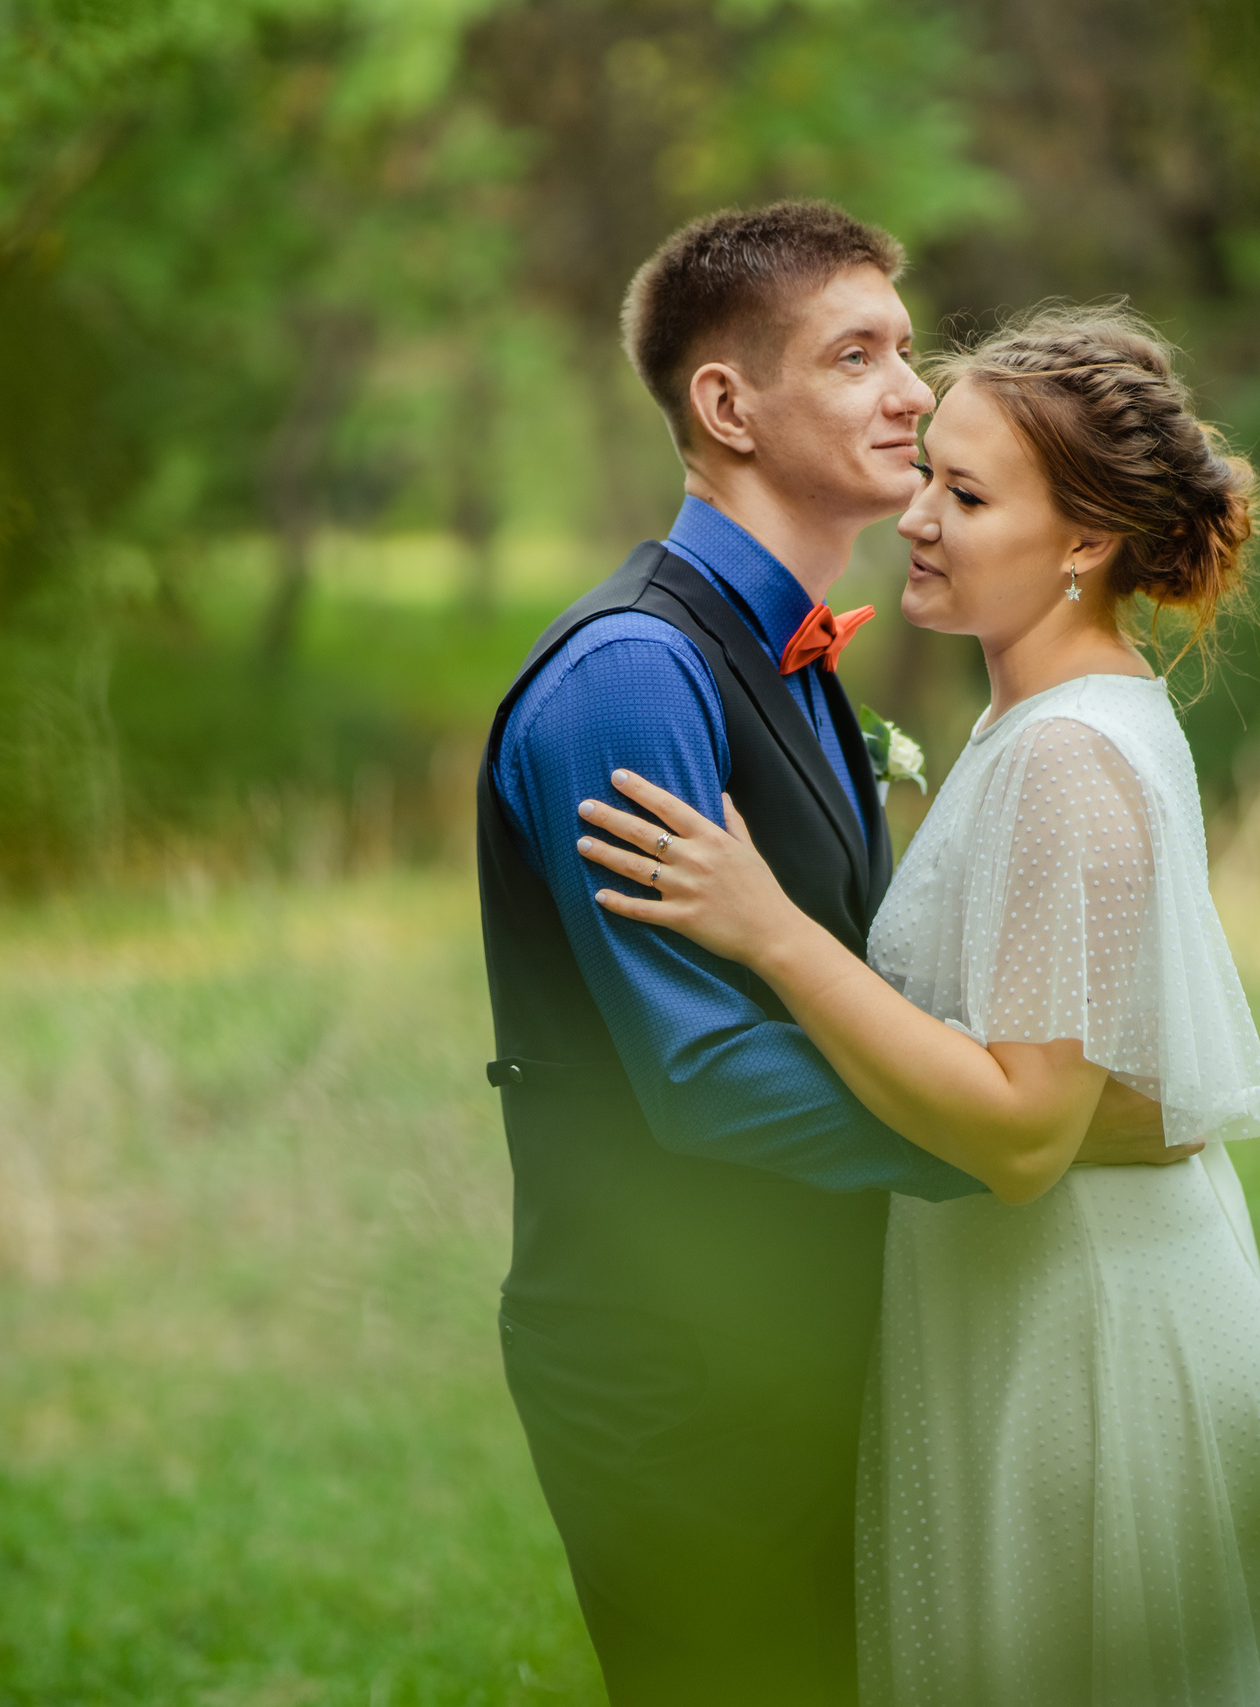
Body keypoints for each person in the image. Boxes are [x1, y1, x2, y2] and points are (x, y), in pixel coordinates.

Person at [573, 304, 1260, 1705]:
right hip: (1022, 1341)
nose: (918, 520)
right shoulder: (1037, 720)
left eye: (968, 494)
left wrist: (771, 932)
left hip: (1093, 1373)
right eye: (929, 475)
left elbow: (1018, 1135)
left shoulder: (1070, 755)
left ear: (1084, 545)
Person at [475, 206, 1186, 1706]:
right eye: (854, 356)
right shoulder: (631, 681)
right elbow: (708, 1077)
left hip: (804, 1340)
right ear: (726, 408)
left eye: (904, 350)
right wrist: (1015, 1139)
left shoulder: (794, 653)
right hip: (677, 1374)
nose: (912, 394)